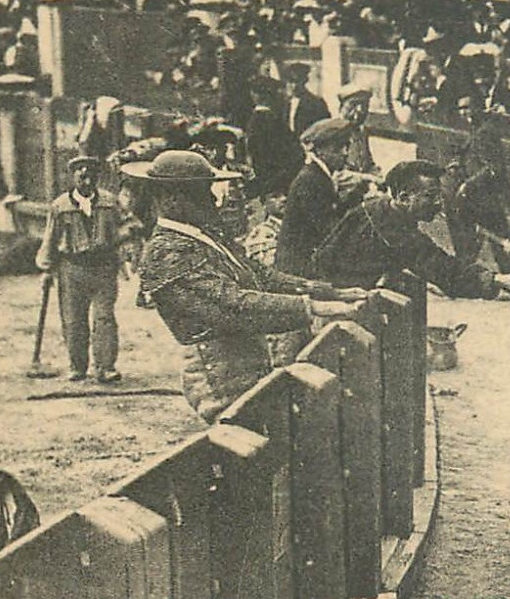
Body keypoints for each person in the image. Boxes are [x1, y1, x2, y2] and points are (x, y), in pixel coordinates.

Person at [128, 149, 373, 424]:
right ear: (171, 199)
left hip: (243, 360)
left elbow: (260, 275)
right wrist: (314, 306)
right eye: (201, 193)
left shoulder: (201, 234)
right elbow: (232, 303)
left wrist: (326, 291)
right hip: (218, 371)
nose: (212, 200)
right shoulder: (166, 250)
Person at [309, 160, 503, 299]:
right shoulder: (396, 232)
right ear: (403, 197)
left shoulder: (376, 208)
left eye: (440, 196)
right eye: (431, 196)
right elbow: (442, 270)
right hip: (342, 301)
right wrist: (493, 280)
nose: (439, 204)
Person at [36, 155, 123, 383]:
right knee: (73, 320)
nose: (86, 179)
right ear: (73, 177)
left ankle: (105, 367)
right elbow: (50, 238)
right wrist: (46, 269)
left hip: (103, 269)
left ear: (97, 177)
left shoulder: (110, 202)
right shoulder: (60, 206)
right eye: (81, 174)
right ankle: (77, 366)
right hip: (71, 269)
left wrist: (118, 241)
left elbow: (129, 226)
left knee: (104, 318)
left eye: (91, 174)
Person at [275, 118, 355, 278]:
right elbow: (329, 229)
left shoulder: (319, 175)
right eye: (338, 147)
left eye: (347, 146)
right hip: (298, 267)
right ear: (320, 150)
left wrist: (355, 197)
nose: (345, 153)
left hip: (305, 259)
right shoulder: (311, 179)